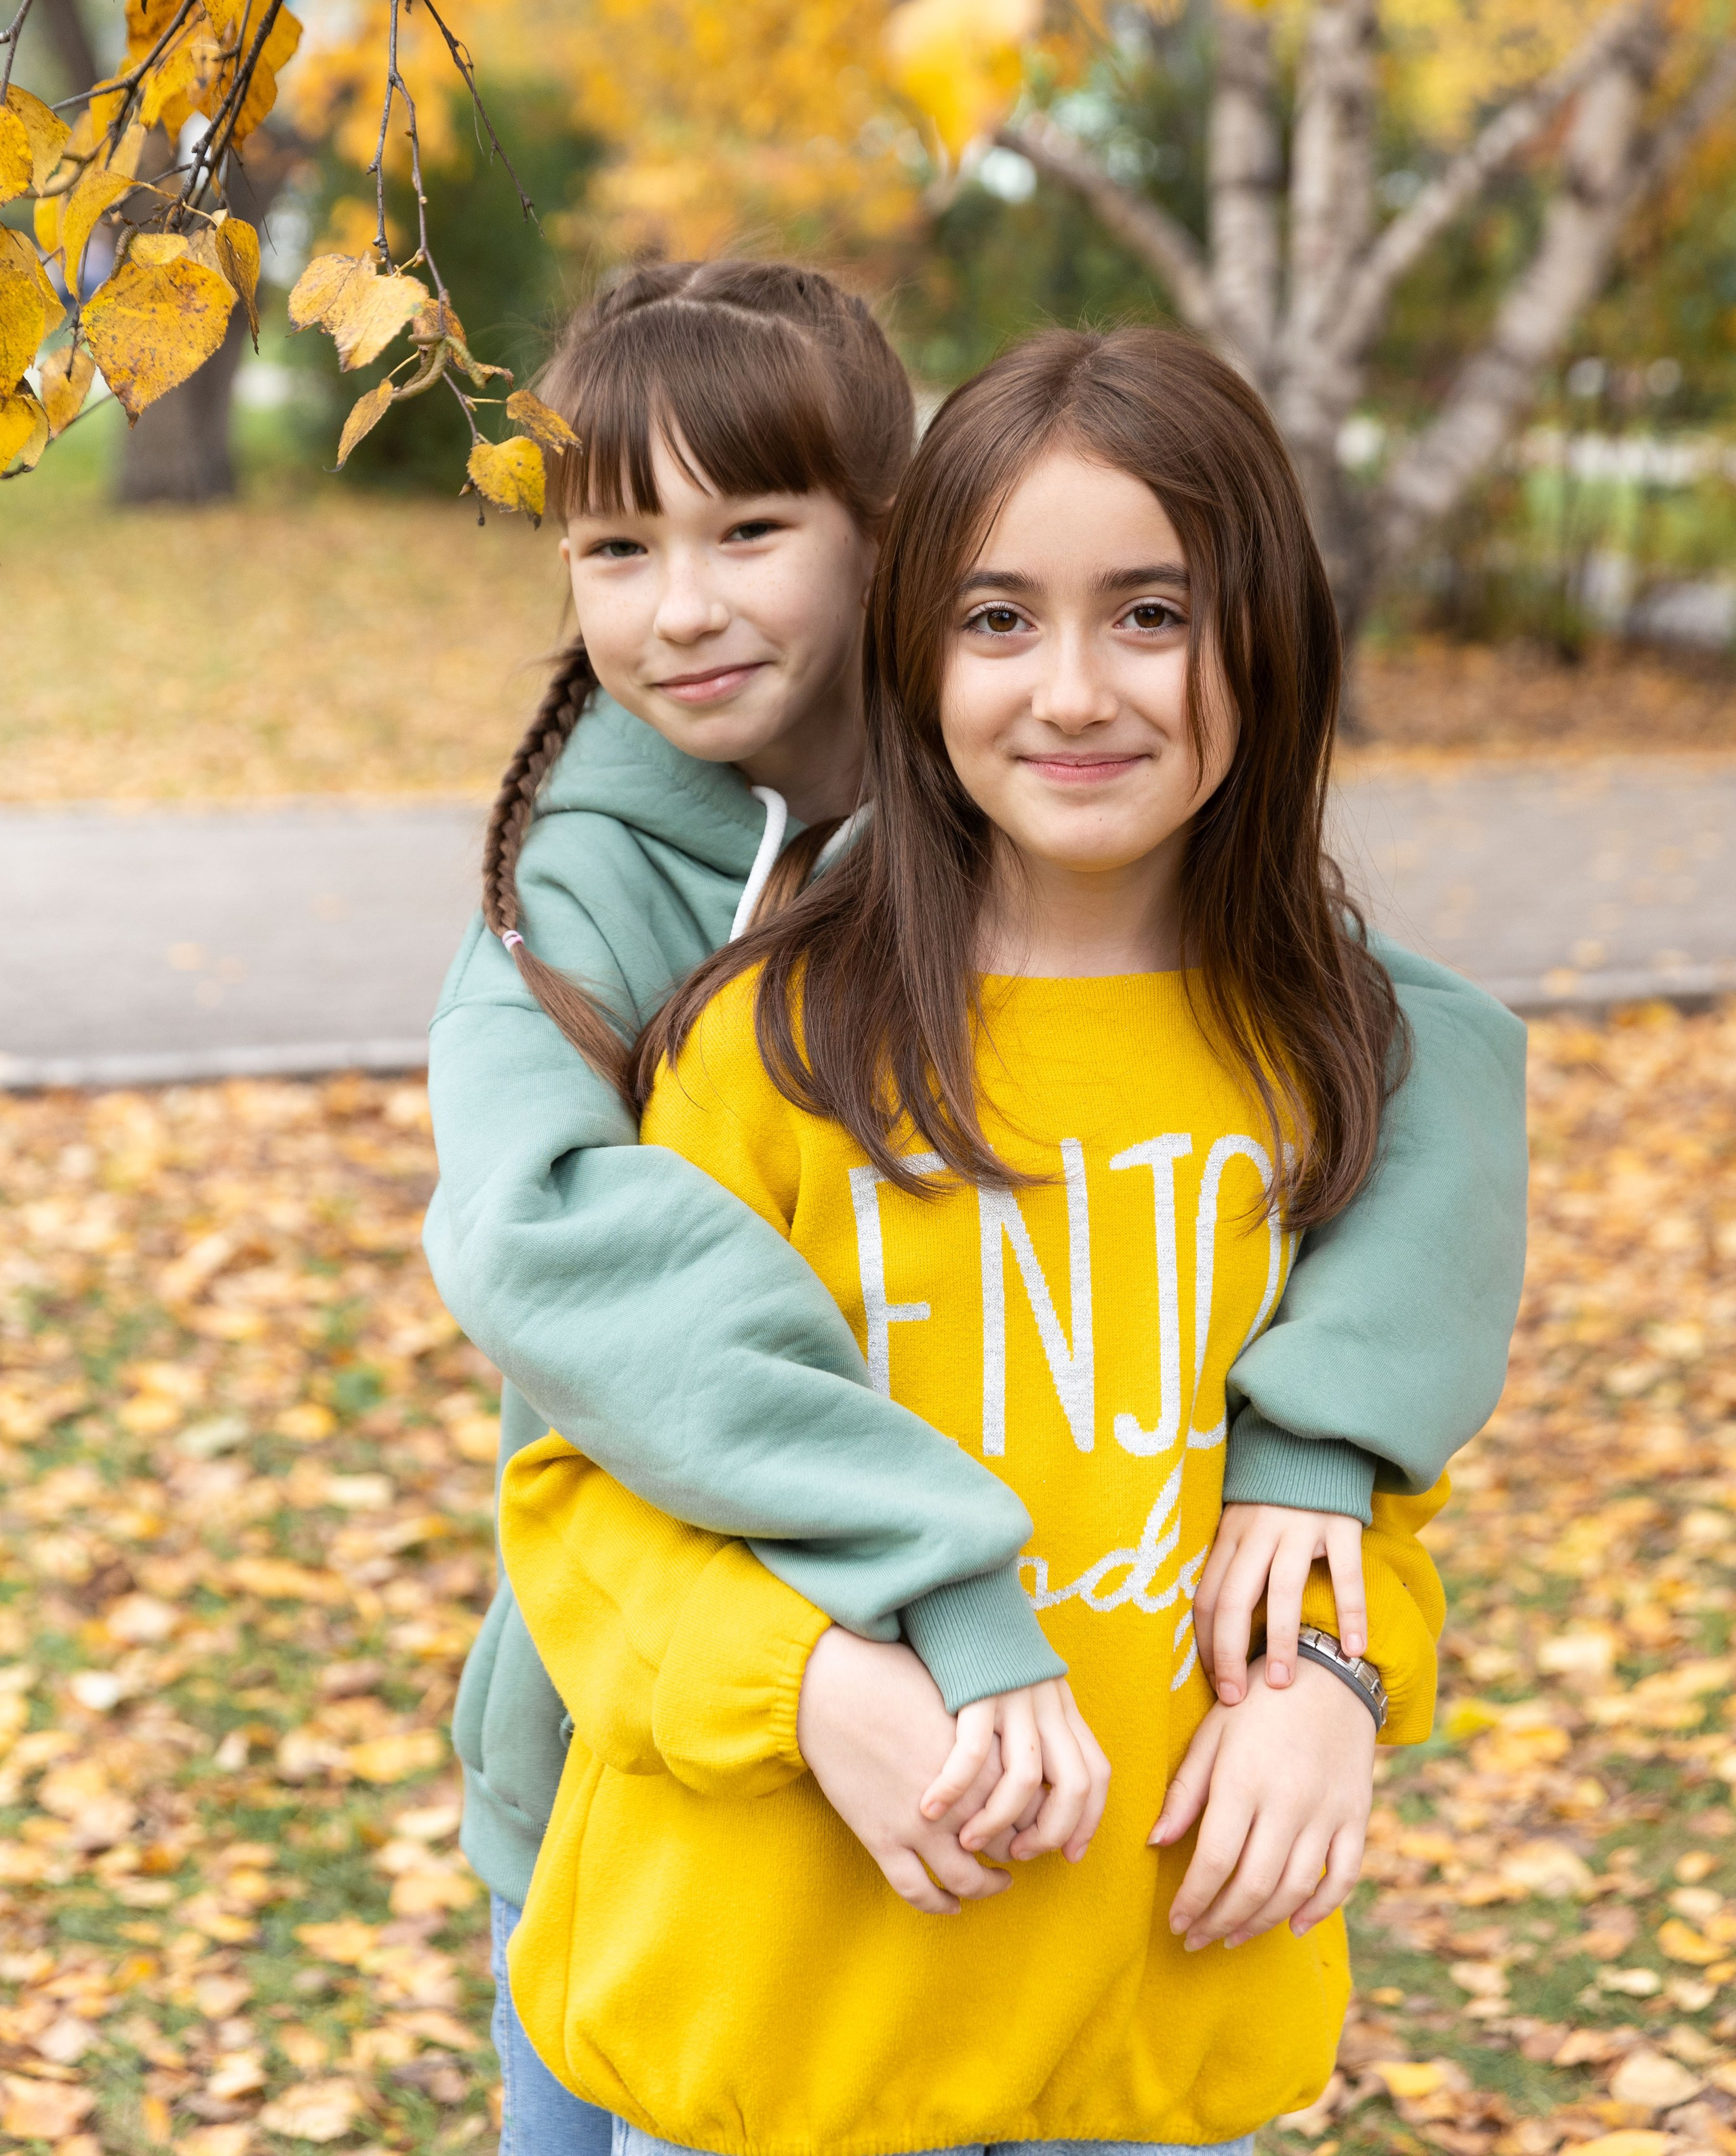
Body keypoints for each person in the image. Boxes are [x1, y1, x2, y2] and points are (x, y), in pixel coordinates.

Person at [424, 271, 1527, 2151]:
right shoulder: (617, 923)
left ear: (888, 547)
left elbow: (1426, 1060)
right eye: (615, 547)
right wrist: (883, 1628)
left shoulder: (1254, 1004)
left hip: (1113, 1959)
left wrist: (1328, 1528)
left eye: (755, 530)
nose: (686, 605)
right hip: (690, 1786)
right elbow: (561, 1340)